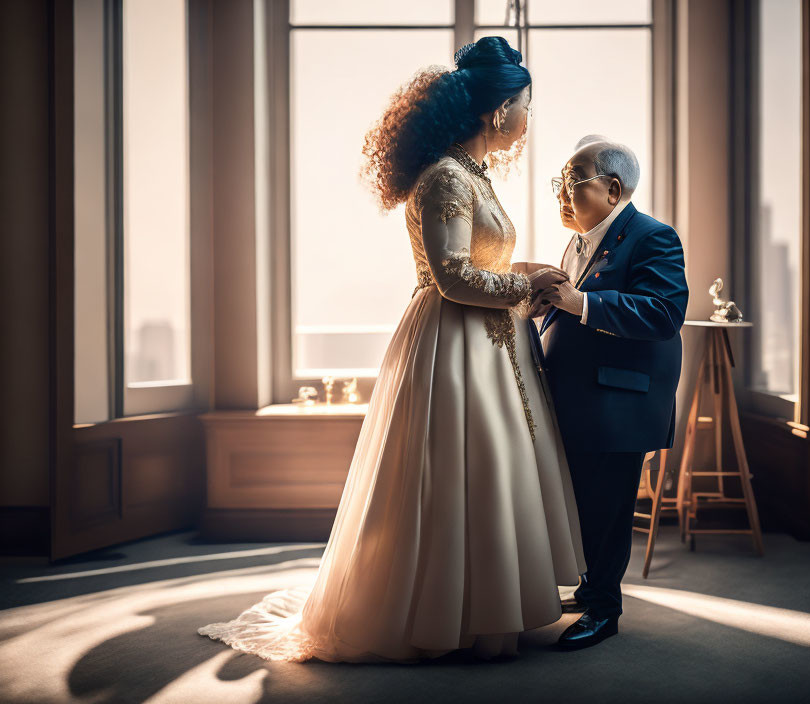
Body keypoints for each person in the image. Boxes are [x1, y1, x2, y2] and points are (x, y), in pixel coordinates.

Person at [197, 37, 586, 664]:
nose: (527, 116)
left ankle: (486, 612)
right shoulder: (444, 179)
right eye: (525, 104)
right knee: (457, 474)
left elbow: (482, 261)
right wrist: (525, 285)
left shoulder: (472, 174)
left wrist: (529, 276)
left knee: (487, 472)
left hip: (488, 339)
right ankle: (440, 616)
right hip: (452, 340)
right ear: (498, 111)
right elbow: (452, 276)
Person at [537, 136, 688, 650]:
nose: (561, 192)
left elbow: (665, 314)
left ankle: (605, 609)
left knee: (608, 506)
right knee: (583, 501)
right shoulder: (579, 240)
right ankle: (589, 588)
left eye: (571, 182)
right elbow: (575, 306)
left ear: (613, 187)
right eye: (557, 181)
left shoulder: (653, 236)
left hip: (618, 400)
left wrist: (578, 303)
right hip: (580, 397)